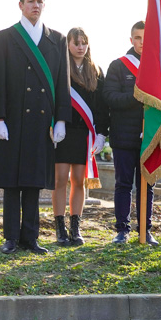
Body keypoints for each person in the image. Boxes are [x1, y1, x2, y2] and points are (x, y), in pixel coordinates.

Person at [0, 0, 70, 255]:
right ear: (20, 5)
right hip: (12, 120)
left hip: (40, 123)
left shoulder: (57, 40)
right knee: (11, 182)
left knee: (34, 182)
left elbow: (62, 82)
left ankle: (30, 237)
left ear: (44, 5)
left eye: (39, 1)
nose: (35, 5)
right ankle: (10, 237)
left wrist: (61, 118)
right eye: (30, 1)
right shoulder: (2, 38)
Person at [103, 21, 159, 245]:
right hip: (124, 135)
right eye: (138, 38)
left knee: (148, 185)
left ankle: (145, 230)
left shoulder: (158, 67)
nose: (142, 43)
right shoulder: (118, 66)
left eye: (146, 38)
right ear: (131, 40)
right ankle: (122, 230)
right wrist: (135, 96)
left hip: (150, 136)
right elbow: (109, 97)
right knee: (123, 184)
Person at [53, 27, 107, 246]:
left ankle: (76, 227)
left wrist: (102, 132)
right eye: (76, 43)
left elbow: (101, 106)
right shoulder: (60, 68)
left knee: (78, 180)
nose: (80, 47)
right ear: (67, 45)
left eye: (84, 43)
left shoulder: (95, 71)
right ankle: (59, 228)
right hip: (63, 131)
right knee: (60, 180)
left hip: (84, 135)